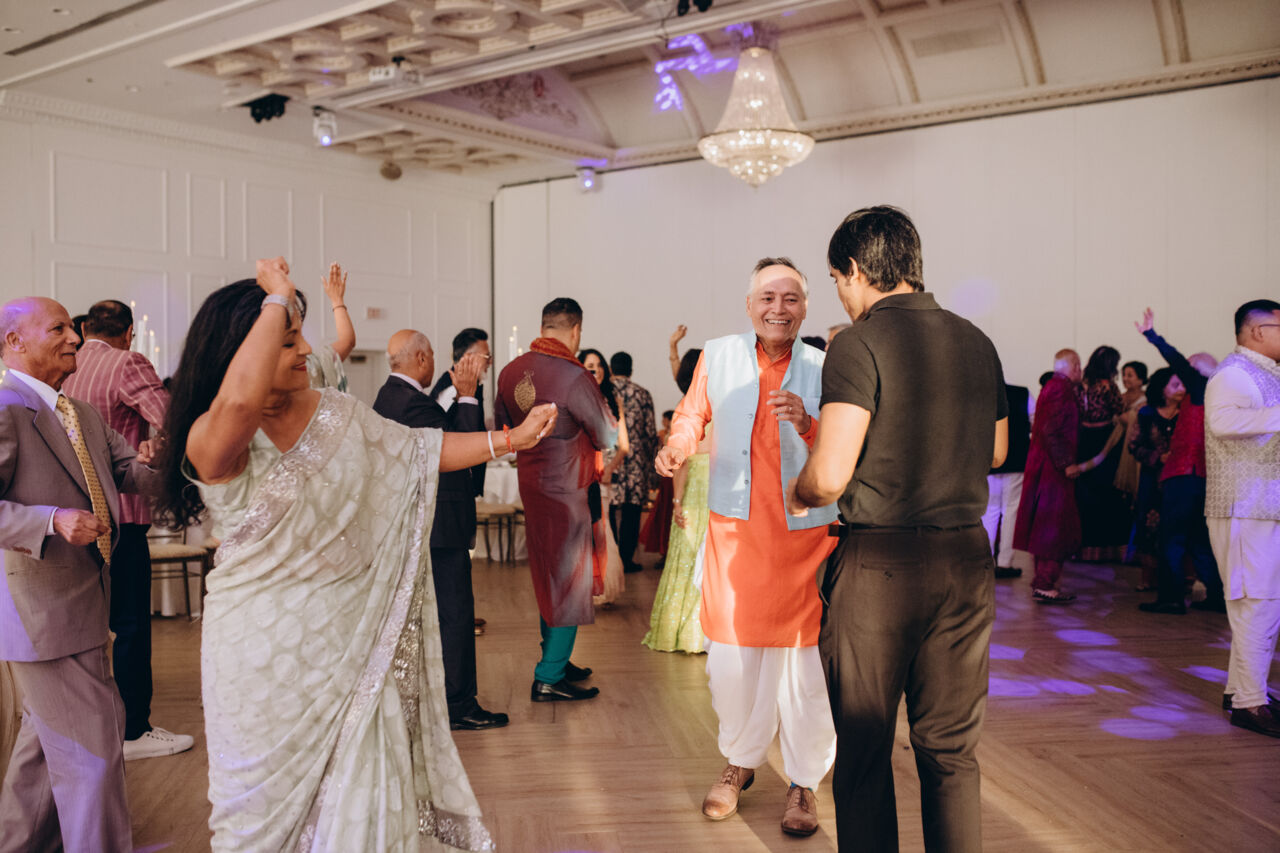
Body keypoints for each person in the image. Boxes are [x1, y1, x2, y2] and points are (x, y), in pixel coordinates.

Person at [154, 261, 557, 849]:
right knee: (257, 818)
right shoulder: (212, 437)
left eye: (300, 335)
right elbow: (239, 405)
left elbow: (418, 450)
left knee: (366, 798)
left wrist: (509, 440)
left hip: (354, 639)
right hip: (262, 658)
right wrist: (278, 297)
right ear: (240, 351)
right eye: (288, 340)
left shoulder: (335, 412)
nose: (306, 350)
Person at [787, 206, 1008, 853]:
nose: (842, 293)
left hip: (881, 565)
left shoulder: (858, 343)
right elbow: (997, 451)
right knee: (951, 751)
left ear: (856, 270)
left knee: (864, 750)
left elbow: (830, 476)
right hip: (966, 558)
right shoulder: (977, 340)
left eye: (838, 280)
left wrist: (799, 492)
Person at [656, 258, 837, 837]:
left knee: (805, 670)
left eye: (790, 298)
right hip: (735, 536)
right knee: (732, 664)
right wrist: (678, 446)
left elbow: (845, 443)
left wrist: (807, 423)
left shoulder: (827, 367)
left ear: (805, 308)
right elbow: (691, 415)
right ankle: (740, 761)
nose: (778, 308)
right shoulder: (718, 355)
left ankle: (803, 783)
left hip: (806, 537)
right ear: (749, 304)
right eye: (767, 297)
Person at [0, 296, 160, 851]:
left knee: (43, 754)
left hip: (87, 605)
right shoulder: (5, 408)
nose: (75, 337)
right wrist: (50, 520)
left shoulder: (81, 413)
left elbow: (130, 474)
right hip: (41, 614)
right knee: (94, 752)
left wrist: (160, 460)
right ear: (15, 341)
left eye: (74, 326)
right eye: (59, 328)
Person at [60, 299, 195, 760]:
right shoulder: (127, 362)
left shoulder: (65, 368)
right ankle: (134, 729)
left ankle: (91, 725)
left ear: (84, 330)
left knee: (90, 627)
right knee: (131, 624)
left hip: (71, 518)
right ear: (129, 332)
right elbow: (173, 420)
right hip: (123, 515)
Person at [373, 329, 507, 732]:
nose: (434, 362)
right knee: (455, 615)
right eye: (430, 354)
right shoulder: (411, 403)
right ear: (420, 359)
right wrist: (466, 396)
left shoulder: (392, 397)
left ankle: (438, 699)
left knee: (438, 616)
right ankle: (459, 705)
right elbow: (458, 449)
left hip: (425, 523)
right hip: (437, 525)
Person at [496, 299, 617, 703]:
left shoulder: (510, 372)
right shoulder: (574, 376)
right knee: (569, 578)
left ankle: (557, 660)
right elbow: (606, 434)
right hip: (568, 489)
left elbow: (503, 428)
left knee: (549, 574)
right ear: (576, 330)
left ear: (543, 325)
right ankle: (548, 675)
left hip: (533, 486)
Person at [1204, 299, 1280, 736]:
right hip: (1244, 506)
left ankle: (1242, 691)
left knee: (1261, 605)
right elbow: (1222, 422)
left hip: (1260, 507)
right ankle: (1250, 703)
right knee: (1258, 604)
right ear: (1257, 331)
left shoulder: (1263, 373)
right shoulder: (1235, 373)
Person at [1135, 308, 1224, 615]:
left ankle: (1171, 598)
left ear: (1195, 370)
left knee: (1171, 537)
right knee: (1199, 539)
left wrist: (1152, 335)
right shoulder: (1219, 394)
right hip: (1202, 476)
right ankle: (1216, 596)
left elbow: (1176, 360)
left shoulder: (1200, 388)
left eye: (1188, 366)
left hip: (1184, 473)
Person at [643, 348, 709, 654]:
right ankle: (703, 631)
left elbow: (683, 463)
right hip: (708, 491)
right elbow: (682, 462)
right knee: (703, 558)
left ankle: (685, 630)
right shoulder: (714, 409)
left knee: (689, 556)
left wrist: (677, 502)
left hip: (698, 490)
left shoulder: (690, 411)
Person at [1013, 349, 1083, 603]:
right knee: (1054, 526)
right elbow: (1050, 429)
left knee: (1046, 525)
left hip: (1046, 467)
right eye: (1079, 365)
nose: (1081, 371)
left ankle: (1043, 582)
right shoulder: (1060, 389)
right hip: (1053, 471)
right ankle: (1044, 583)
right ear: (1073, 366)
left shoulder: (1052, 387)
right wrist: (1066, 463)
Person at [578, 349, 627, 606]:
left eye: (598, 365)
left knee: (602, 529)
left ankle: (603, 589)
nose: (595, 369)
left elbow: (624, 445)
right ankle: (582, 588)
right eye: (589, 365)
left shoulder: (611, 401)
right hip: (579, 474)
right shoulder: (576, 399)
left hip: (602, 476)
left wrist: (610, 469)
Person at [1129, 368, 1183, 588]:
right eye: (1175, 385)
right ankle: (1148, 578)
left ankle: (1180, 579)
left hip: (1179, 478)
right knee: (1149, 524)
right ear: (1162, 389)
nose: (1181, 389)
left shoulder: (1188, 413)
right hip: (1152, 479)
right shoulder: (1146, 414)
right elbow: (1134, 446)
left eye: (1183, 384)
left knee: (1179, 524)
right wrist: (1157, 457)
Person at [1075, 346, 1128, 562]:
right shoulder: (1108, 387)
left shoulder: (1080, 386)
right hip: (1105, 438)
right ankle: (1106, 548)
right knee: (1105, 494)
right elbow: (1121, 413)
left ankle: (1084, 547)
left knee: (1084, 494)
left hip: (1083, 438)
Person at [609, 351, 658, 573]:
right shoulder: (642, 394)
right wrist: (651, 464)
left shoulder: (605, 391)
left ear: (611, 369)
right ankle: (626, 560)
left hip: (611, 458)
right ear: (631, 370)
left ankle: (610, 558)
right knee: (632, 510)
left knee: (609, 508)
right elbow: (650, 432)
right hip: (636, 460)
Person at [983, 380, 1031, 579]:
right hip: (1017, 460)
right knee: (1011, 512)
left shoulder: (982, 395)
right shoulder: (1022, 393)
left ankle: (986, 560)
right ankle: (1005, 562)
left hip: (991, 461)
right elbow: (1034, 422)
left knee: (990, 512)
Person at [305, 262, 356, 391]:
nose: (305, 347)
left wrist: (337, 301)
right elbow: (347, 342)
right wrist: (337, 301)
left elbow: (347, 342)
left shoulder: (310, 364)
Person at [430, 328, 491, 412]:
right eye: (487, 357)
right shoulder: (453, 390)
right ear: (468, 357)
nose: (490, 362)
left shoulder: (469, 385)